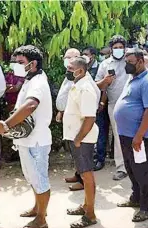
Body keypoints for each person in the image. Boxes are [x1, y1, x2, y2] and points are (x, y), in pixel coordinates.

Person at [0, 45, 52, 228]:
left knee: (40, 179)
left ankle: (41, 219)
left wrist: (6, 125)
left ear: (32, 64)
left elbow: (30, 105)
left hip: (37, 140)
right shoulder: (30, 79)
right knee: (32, 177)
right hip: (27, 139)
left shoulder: (38, 82)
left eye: (20, 62)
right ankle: (37, 208)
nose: (16, 66)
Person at [113, 48, 148, 222]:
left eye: (130, 62)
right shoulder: (132, 79)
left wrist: (139, 136)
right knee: (131, 169)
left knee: (144, 172)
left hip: (138, 137)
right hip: (126, 135)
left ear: (140, 61)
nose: (126, 64)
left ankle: (147, 207)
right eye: (126, 61)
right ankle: (136, 198)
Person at [63, 56, 100, 228]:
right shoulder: (79, 83)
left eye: (70, 68)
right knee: (84, 174)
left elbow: (90, 117)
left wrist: (78, 139)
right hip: (77, 137)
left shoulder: (85, 88)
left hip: (82, 139)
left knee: (87, 175)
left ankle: (90, 215)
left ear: (81, 70)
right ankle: (86, 206)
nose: (67, 71)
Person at [95, 35, 129, 181]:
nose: (118, 50)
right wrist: (105, 81)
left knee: (135, 135)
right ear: (111, 49)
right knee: (117, 135)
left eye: (121, 47)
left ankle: (137, 165)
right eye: (116, 48)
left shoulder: (130, 61)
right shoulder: (105, 65)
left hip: (132, 104)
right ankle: (121, 167)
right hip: (114, 104)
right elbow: (98, 85)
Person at [56, 48, 84, 191]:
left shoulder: (81, 78)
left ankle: (83, 180)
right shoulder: (70, 75)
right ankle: (78, 173)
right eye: (67, 57)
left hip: (78, 121)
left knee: (81, 151)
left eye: (74, 57)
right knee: (74, 151)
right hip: (68, 117)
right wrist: (61, 111)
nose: (69, 60)